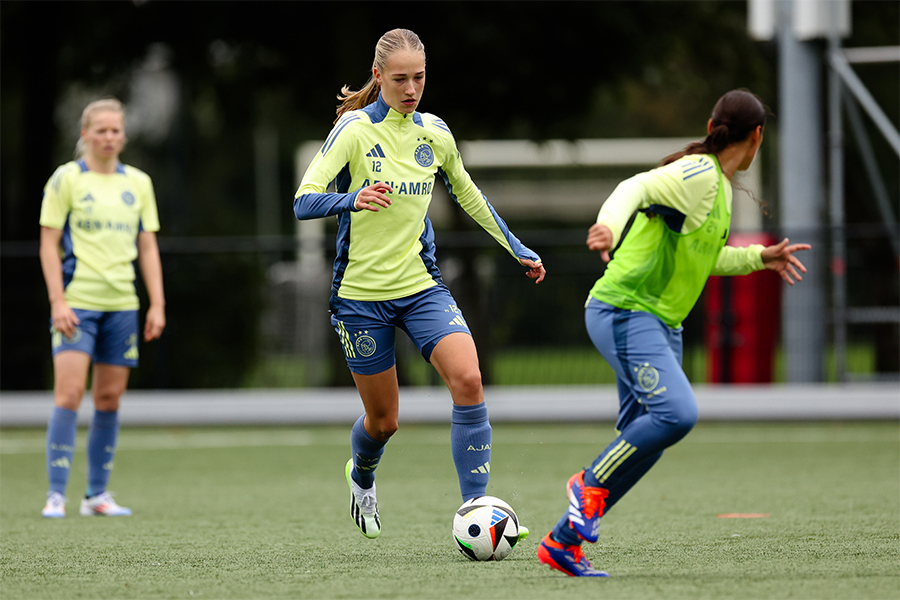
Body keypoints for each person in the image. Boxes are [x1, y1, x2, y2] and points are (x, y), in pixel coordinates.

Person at [537, 89, 811, 576]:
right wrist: (608, 224)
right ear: (757, 137)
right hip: (626, 311)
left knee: (643, 439)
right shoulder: (699, 174)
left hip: (660, 326)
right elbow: (634, 188)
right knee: (676, 413)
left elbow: (704, 259)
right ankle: (586, 485)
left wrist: (757, 258)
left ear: (711, 125)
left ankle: (562, 542)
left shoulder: (720, 191)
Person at [293, 28, 545, 540]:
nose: (412, 89)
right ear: (378, 76)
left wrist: (515, 246)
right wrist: (353, 198)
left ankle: (477, 508)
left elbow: (469, 195)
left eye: (420, 78)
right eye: (401, 79)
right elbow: (304, 200)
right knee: (384, 422)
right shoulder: (354, 131)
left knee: (469, 382)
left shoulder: (435, 133)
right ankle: (361, 474)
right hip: (361, 299)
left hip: (421, 287)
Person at [39, 98, 166, 518]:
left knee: (109, 398)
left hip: (122, 306)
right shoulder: (66, 179)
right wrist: (57, 300)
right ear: (85, 134)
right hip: (77, 305)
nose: (109, 137)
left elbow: (147, 246)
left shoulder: (139, 183)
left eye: (116, 130)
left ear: (123, 135)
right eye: (101, 130)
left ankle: (96, 495)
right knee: (70, 393)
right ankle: (56, 494)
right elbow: (48, 244)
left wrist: (156, 304)